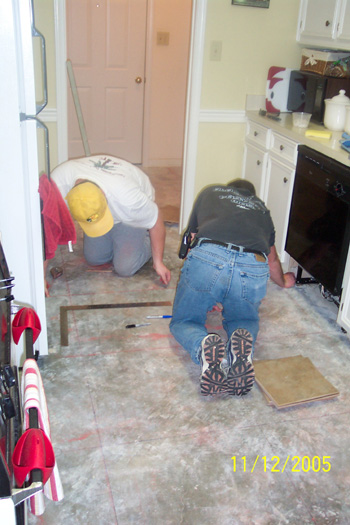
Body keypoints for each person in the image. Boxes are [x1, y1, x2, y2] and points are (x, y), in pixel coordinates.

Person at [169, 179, 295, 397]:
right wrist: (283, 281)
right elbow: (272, 259)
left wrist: (204, 291)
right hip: (252, 264)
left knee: (184, 321)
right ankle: (240, 353)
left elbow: (190, 239)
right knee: (244, 320)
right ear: (251, 195)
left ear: (230, 188)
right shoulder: (262, 210)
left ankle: (204, 348)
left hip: (209, 255)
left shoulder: (210, 191)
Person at [50, 154, 171, 286]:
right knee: (94, 259)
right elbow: (45, 229)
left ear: (103, 193)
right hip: (117, 203)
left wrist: (158, 262)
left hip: (130, 218)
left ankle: (145, 237)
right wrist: (40, 276)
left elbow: (156, 219)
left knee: (125, 267)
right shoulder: (58, 184)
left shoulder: (129, 200)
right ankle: (116, 239)